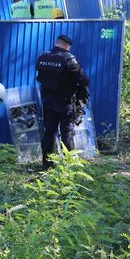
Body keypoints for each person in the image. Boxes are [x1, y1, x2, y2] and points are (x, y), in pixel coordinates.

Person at [36, 34, 89, 169]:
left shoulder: (43, 57)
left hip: (47, 101)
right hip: (65, 103)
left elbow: (39, 78)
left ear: (57, 43)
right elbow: (83, 80)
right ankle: (68, 166)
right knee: (67, 134)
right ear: (67, 45)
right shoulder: (69, 59)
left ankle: (47, 165)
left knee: (49, 133)